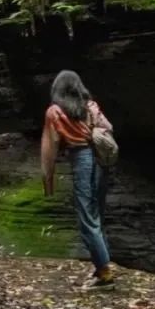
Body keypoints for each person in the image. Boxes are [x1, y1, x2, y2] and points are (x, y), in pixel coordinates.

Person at [40, 69, 115, 285]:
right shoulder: (91, 106)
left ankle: (104, 270)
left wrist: (48, 179)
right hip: (100, 160)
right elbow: (108, 128)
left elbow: (49, 149)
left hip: (81, 159)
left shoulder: (54, 112)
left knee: (86, 218)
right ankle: (103, 264)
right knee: (97, 213)